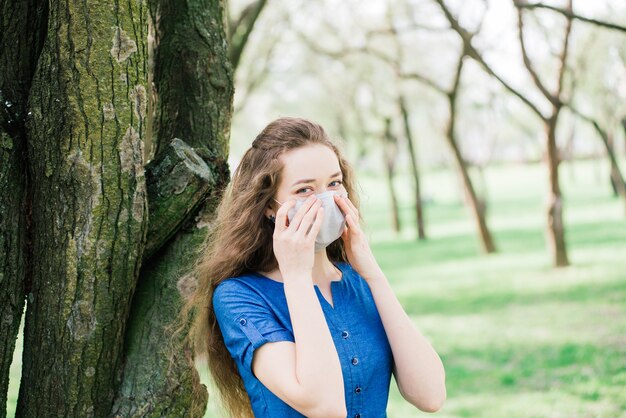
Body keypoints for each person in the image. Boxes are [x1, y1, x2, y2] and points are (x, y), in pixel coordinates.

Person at [181, 117, 446, 418]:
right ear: (270, 206)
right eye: (305, 190)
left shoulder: (358, 281)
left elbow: (430, 395)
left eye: (334, 183)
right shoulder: (239, 296)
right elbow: (325, 405)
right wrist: (296, 275)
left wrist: (372, 273)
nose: (326, 200)